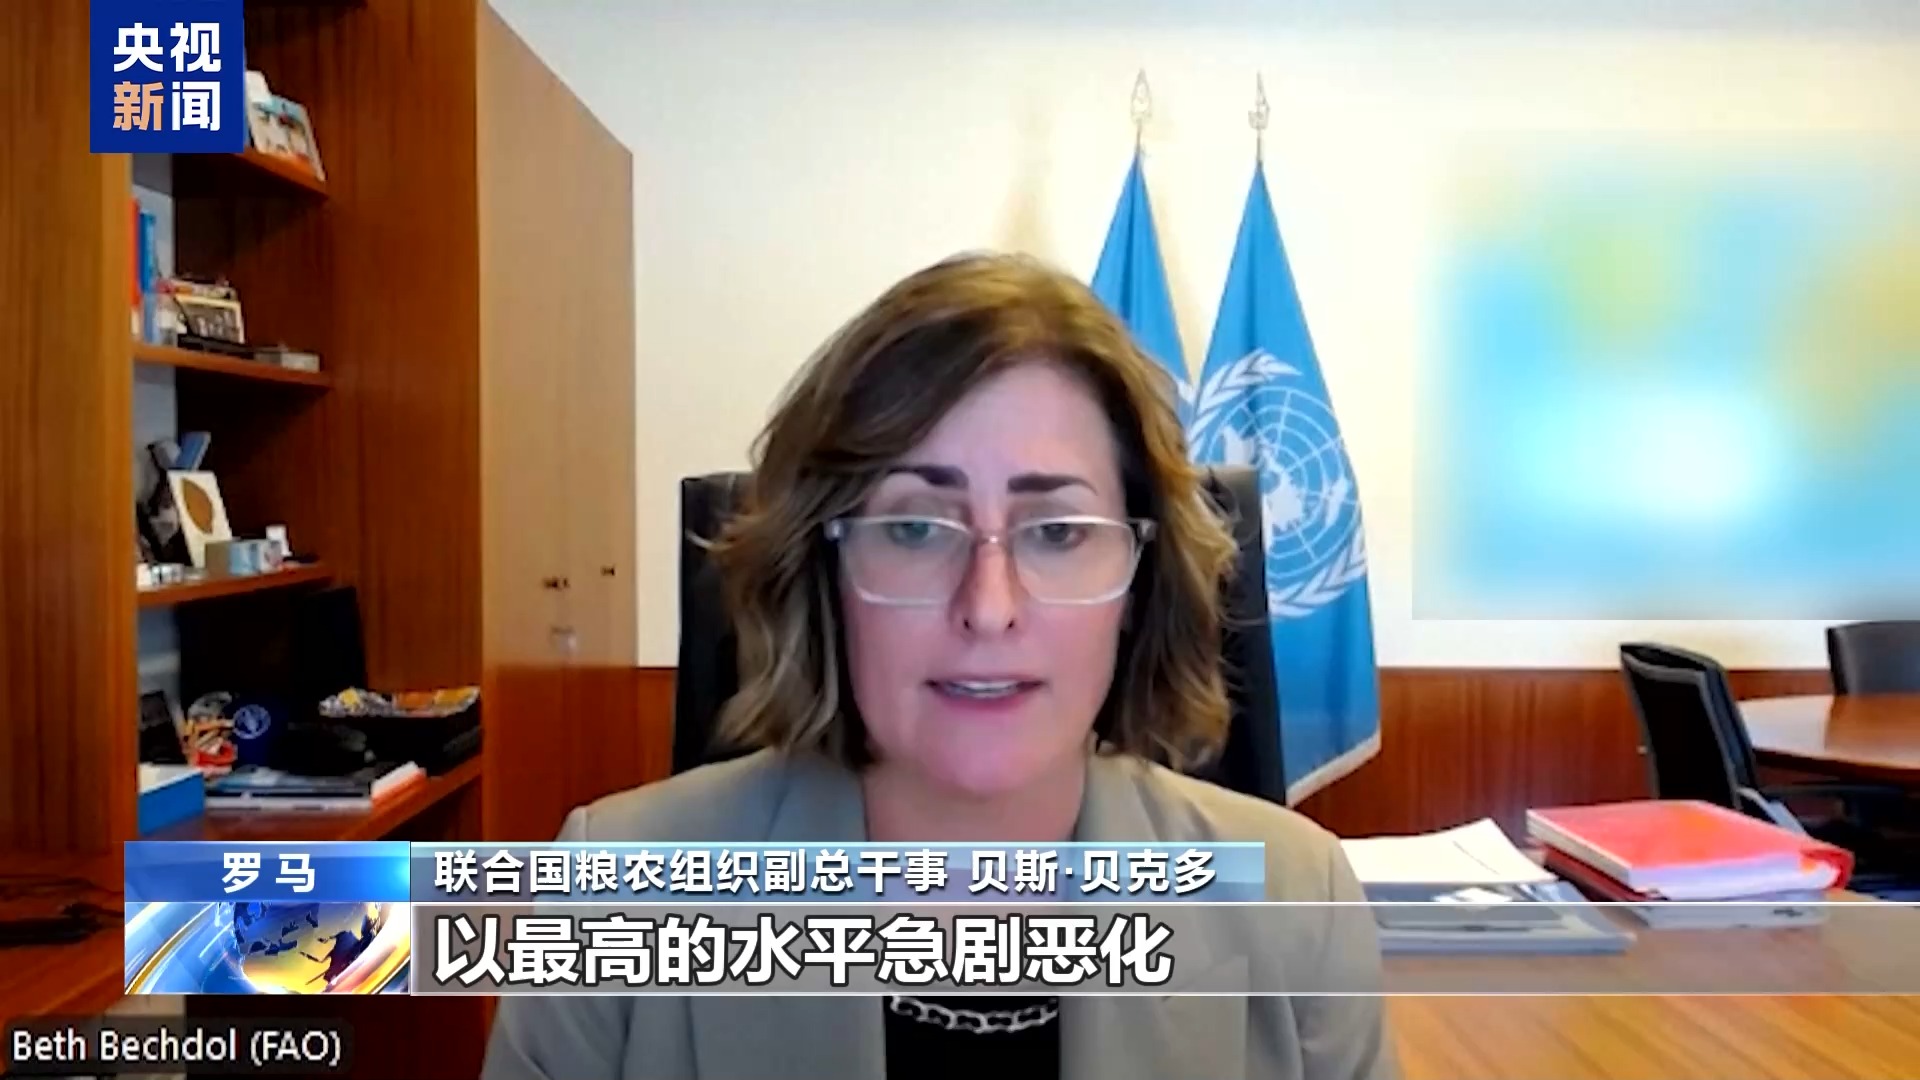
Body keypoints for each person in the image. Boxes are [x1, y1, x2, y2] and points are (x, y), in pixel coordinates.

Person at [482, 252, 1398, 1080]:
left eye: (1057, 531)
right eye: (916, 528)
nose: (988, 606)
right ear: (825, 570)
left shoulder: (1299, 901)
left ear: (1136, 583)